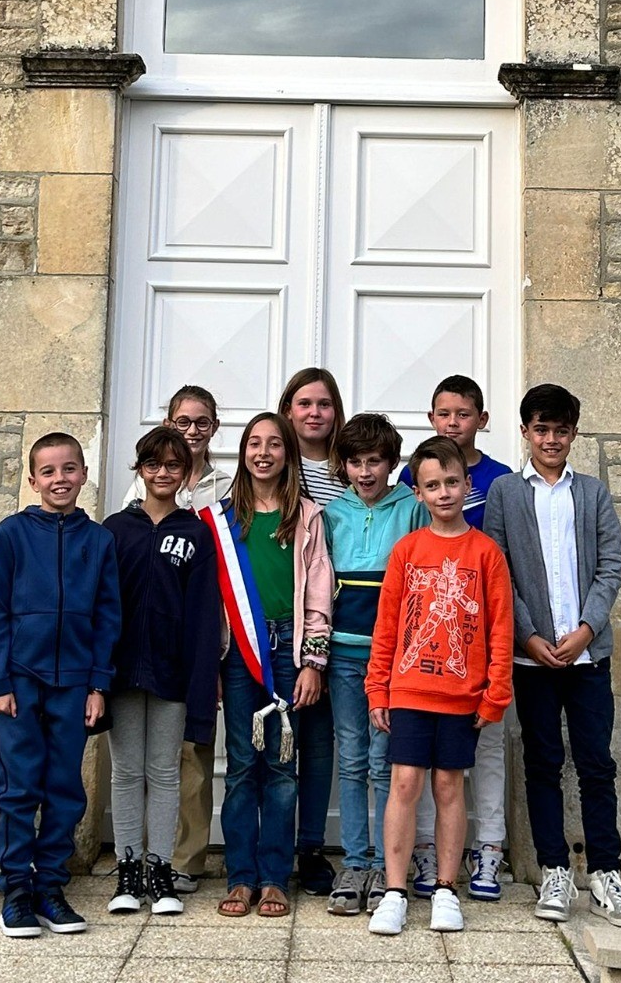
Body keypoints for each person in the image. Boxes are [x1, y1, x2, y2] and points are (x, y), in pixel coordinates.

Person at [485, 384, 621, 929]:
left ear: (574, 434)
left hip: (587, 658)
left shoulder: (592, 492)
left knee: (597, 764)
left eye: (561, 430)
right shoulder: (507, 493)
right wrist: (528, 637)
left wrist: (585, 628)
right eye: (541, 430)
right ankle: (554, 869)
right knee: (543, 762)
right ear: (526, 432)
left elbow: (610, 564)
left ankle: (605, 873)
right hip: (530, 661)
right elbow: (499, 572)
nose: (551, 439)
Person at [365, 437, 513, 938]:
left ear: (468, 486)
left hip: (462, 695)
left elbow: (499, 628)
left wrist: (495, 694)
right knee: (404, 784)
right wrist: (376, 687)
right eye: (433, 485)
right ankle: (394, 890)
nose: (444, 492)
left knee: (450, 786)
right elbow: (387, 624)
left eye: (452, 483)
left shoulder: (486, 553)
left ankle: (447, 889)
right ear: (419, 493)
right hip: (408, 690)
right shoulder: (407, 551)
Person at [0, 431, 120, 939]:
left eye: (69, 469)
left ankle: (50, 888)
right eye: (49, 472)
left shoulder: (99, 540)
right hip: (19, 680)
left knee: (65, 789)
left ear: (84, 474)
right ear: (32, 479)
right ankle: (16, 889)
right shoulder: (12, 534)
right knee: (19, 788)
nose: (60, 479)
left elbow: (108, 618)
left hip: (75, 684)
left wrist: (98, 684)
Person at [209, 412, 333, 919]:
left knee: (283, 768)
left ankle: (275, 877)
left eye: (274, 444)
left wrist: (314, 663)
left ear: (288, 453)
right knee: (242, 766)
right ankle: (240, 877)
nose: (264, 452)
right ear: (242, 452)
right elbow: (212, 601)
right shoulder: (220, 518)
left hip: (289, 650)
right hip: (239, 652)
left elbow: (321, 594)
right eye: (254, 443)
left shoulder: (306, 517)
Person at [398, 375, 512, 900]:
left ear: (480, 420)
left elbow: (508, 560)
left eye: (462, 414)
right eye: (443, 414)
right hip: (425, 653)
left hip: (478, 646)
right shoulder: (411, 475)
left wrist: (499, 673)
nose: (452, 422)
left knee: (477, 759)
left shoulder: (501, 479)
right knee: (421, 771)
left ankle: (488, 849)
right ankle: (426, 852)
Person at [102, 424, 220, 917]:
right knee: (127, 772)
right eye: (154, 465)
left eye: (174, 465)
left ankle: (160, 870)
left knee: (166, 772)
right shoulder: (113, 529)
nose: (163, 473)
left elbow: (203, 614)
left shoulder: (195, 533)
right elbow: (102, 604)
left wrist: (202, 675)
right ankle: (128, 871)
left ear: (186, 471)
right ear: (140, 469)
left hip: (172, 673)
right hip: (124, 671)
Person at [322, 413, 426, 916]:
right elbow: (319, 584)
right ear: (344, 466)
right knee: (353, 757)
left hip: (395, 660)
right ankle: (356, 861)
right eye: (356, 462)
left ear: (392, 463)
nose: (366, 471)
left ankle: (389, 864)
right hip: (344, 652)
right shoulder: (332, 513)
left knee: (386, 764)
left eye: (375, 462)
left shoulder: (411, 509)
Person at [277, 366, 347, 894]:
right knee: (279, 739)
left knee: (321, 741)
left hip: (341, 623)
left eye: (323, 404)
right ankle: (270, 843)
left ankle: (310, 847)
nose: (314, 413)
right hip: (286, 621)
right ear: (288, 411)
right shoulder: (277, 468)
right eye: (304, 403)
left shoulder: (351, 469)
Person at [164, 384, 225, 894]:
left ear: (215, 428)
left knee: (195, 751)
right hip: (159, 636)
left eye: (201, 422)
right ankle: (147, 852)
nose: (191, 431)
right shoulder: (145, 485)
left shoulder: (227, 489)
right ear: (167, 424)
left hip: (213, 635)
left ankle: (188, 859)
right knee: (151, 752)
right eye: (182, 421)